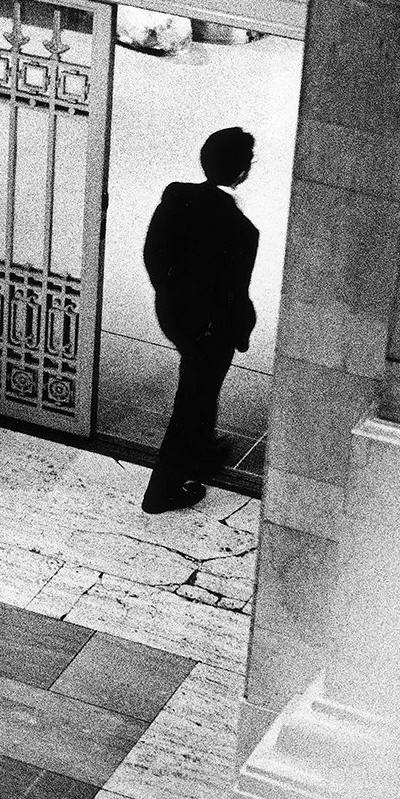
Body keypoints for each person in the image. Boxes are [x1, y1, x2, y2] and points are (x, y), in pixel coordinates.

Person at [141, 126, 259, 513]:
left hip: (173, 313)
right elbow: (233, 294)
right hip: (210, 330)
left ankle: (201, 450)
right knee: (193, 398)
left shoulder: (177, 198)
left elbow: (154, 255)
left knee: (198, 392)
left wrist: (171, 295)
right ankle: (162, 490)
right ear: (243, 172)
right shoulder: (241, 231)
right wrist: (233, 329)